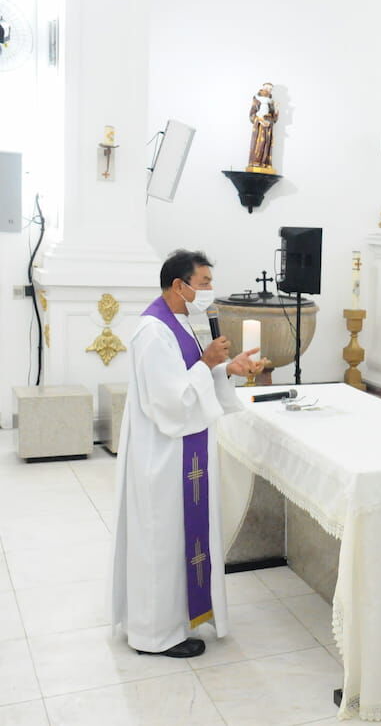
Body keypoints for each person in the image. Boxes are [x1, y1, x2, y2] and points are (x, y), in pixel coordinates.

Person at [110, 250, 264, 658]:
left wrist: (225, 368)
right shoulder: (152, 330)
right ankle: (153, 634)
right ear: (179, 285)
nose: (210, 289)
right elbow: (168, 401)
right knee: (161, 539)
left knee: (179, 538)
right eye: (204, 281)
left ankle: (178, 620)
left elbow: (189, 374)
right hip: (161, 455)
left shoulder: (178, 321)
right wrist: (209, 362)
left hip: (182, 450)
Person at [248, 83, 279, 172]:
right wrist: (260, 120)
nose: (268, 90)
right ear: (263, 88)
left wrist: (276, 109)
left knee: (266, 144)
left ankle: (265, 163)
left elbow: (275, 118)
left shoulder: (271, 102)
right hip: (259, 126)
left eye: (270, 89)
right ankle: (256, 162)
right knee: (259, 144)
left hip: (268, 126)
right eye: (267, 88)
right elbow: (251, 115)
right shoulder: (256, 99)